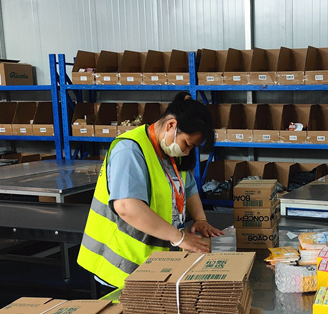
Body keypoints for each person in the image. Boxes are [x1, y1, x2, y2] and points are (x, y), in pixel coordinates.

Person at [78, 93, 224, 290]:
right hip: (122, 267)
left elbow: (188, 187)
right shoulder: (130, 150)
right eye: (187, 144)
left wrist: (200, 219)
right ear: (171, 125)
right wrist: (179, 238)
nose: (187, 151)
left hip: (154, 266)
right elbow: (127, 207)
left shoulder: (170, 151)